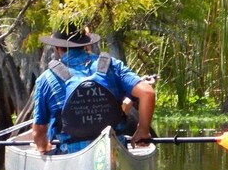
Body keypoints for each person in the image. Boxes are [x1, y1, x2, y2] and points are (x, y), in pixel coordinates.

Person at [32, 24, 155, 155]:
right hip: (115, 149)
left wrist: (43, 147)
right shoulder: (112, 65)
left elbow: (39, 131)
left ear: (57, 48)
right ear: (85, 44)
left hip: (71, 153)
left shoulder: (45, 79)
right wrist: (143, 130)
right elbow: (147, 93)